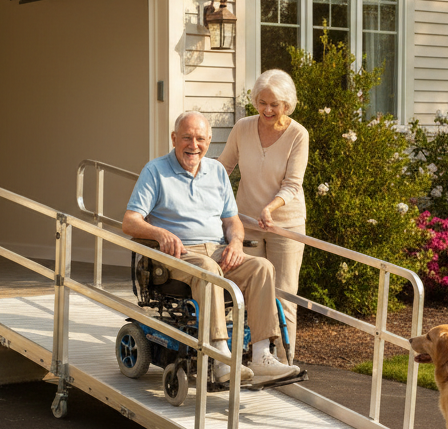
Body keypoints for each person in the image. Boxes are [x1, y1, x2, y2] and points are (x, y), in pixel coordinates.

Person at [122, 111, 300, 384]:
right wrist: (159, 233)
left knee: (262, 267)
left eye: (201, 139)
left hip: (217, 249)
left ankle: (262, 355)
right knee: (208, 269)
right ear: (173, 139)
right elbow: (130, 222)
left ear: (209, 142)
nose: (194, 145)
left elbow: (232, 221)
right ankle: (219, 358)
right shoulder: (155, 171)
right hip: (177, 255)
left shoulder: (217, 172)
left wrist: (237, 242)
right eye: (187, 138)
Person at [218, 69, 308, 362]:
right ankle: (253, 355)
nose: (267, 110)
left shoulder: (297, 134)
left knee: (284, 297)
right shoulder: (243, 128)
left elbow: (293, 184)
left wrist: (271, 207)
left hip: (285, 226)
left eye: (274, 104)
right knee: (245, 292)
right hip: (246, 224)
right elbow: (223, 168)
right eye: (261, 102)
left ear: (287, 104)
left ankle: (284, 363)